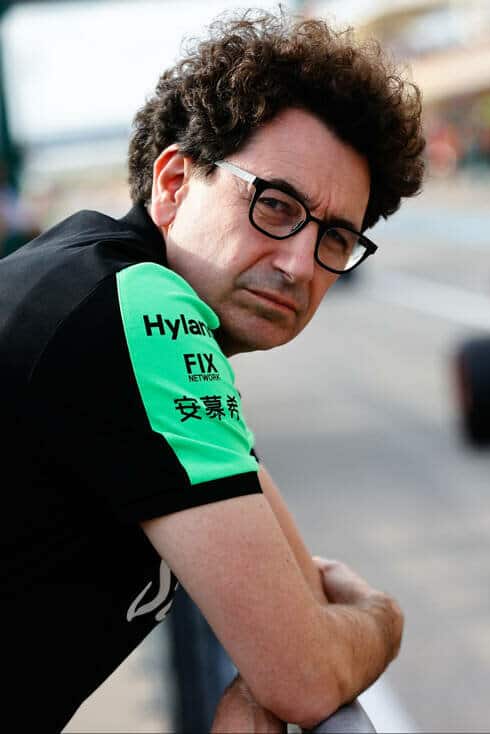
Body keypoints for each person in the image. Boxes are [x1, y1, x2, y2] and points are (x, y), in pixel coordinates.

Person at [0, 9, 424, 732]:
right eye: (276, 206)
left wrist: (296, 651)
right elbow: (303, 672)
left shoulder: (102, 287)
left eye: (336, 238)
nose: (300, 264)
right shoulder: (138, 306)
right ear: (173, 183)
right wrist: (384, 619)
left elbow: (299, 599)